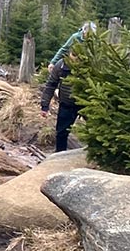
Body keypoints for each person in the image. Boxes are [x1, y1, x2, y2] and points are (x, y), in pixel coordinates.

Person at [40, 20, 98, 153]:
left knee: (95, 130)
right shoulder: (62, 64)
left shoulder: (91, 65)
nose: (75, 59)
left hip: (87, 102)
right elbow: (50, 85)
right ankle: (59, 155)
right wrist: (44, 106)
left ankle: (94, 154)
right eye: (73, 56)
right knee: (61, 132)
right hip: (67, 102)